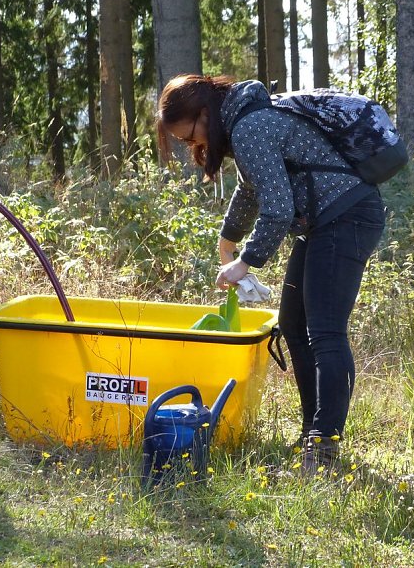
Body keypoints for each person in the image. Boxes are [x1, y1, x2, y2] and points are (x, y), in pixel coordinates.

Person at [156, 74, 386, 471]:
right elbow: (251, 190)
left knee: (326, 331)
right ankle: (312, 435)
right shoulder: (242, 122)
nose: (193, 147)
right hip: (321, 222)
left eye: (188, 137)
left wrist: (246, 261)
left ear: (204, 113)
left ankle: (325, 448)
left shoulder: (249, 125)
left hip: (347, 216)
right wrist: (227, 242)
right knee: (294, 327)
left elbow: (277, 207)